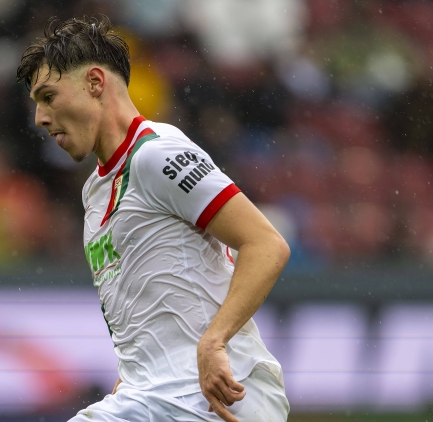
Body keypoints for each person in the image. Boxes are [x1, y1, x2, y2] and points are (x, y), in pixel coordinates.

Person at [17, 16, 291, 422]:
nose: (40, 117)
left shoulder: (157, 154)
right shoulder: (95, 191)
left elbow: (266, 244)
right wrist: (136, 375)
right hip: (157, 396)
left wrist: (214, 342)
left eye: (48, 96)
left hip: (215, 392)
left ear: (95, 82)